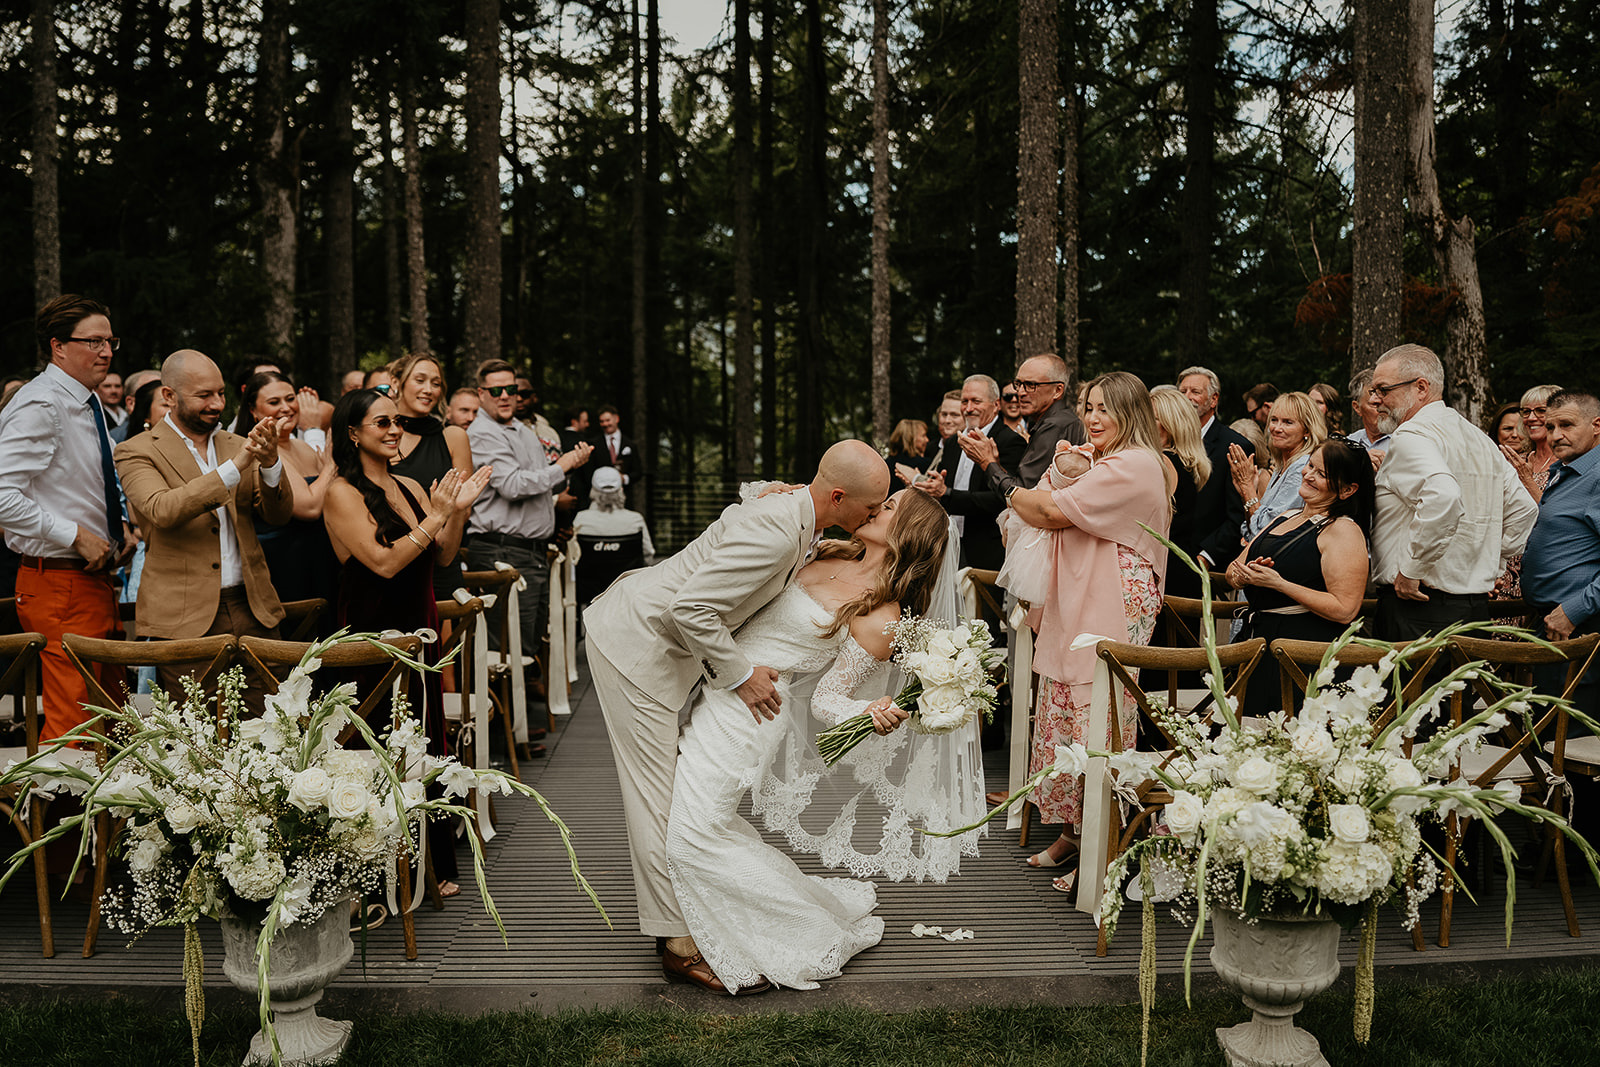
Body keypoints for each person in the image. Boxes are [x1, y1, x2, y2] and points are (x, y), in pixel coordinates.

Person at [583, 439, 889, 994]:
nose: (874, 516)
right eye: (872, 506)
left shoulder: (797, 515)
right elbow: (690, 608)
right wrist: (741, 674)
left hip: (661, 649)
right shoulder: (780, 528)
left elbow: (738, 528)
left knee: (672, 797)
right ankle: (675, 942)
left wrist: (756, 497)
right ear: (839, 496)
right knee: (654, 800)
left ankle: (685, 920)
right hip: (637, 650)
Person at [667, 486, 983, 992]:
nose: (878, 505)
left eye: (891, 506)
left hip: (750, 716)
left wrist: (872, 709)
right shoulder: (825, 551)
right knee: (699, 825)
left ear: (909, 533)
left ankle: (803, 931)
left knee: (692, 836)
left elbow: (827, 699)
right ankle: (684, 926)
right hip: (714, 689)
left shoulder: (881, 615)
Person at [1003, 372, 1173, 892]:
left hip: (1111, 603)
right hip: (1077, 597)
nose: (1093, 419)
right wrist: (1063, 469)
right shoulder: (1100, 461)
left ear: (1132, 414)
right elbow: (1048, 498)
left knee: (1096, 715)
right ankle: (1076, 832)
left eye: (1105, 409)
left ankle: (1106, 844)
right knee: (1064, 709)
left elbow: (1047, 511)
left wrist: (1000, 477)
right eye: (1089, 408)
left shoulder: (1136, 465)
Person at [322, 387, 493, 896]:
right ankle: (375, 877)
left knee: (424, 742)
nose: (394, 429)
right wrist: (437, 517)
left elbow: (441, 558)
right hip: (371, 638)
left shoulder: (414, 486)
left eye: (396, 421)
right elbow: (383, 562)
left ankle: (431, 865)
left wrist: (456, 510)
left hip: (419, 632)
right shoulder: (340, 493)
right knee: (375, 748)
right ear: (353, 434)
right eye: (381, 423)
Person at [114, 350, 294, 703]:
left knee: (273, 724)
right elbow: (162, 509)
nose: (217, 404)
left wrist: (271, 465)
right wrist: (235, 467)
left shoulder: (236, 443)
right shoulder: (134, 451)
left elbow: (278, 515)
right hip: (185, 616)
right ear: (169, 396)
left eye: (221, 393)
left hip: (253, 606)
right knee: (199, 734)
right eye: (204, 395)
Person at [0, 295, 133, 743]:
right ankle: (60, 814)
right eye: (93, 341)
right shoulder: (42, 404)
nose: (106, 351)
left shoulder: (84, 401)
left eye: (110, 340)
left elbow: (83, 482)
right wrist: (74, 534)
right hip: (59, 583)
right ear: (58, 347)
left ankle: (111, 816)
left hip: (94, 578)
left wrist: (121, 530)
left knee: (115, 723)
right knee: (76, 729)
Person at [1370, 344, 1538, 640]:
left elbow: (1443, 496)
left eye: (1383, 390)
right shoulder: (1477, 437)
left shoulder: (1411, 435)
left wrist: (1412, 570)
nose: (1375, 400)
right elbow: (1524, 509)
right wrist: (1488, 565)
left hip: (1417, 609)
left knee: (1416, 689)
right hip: (1472, 610)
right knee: (1461, 688)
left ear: (1420, 387)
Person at [467, 360, 594, 702]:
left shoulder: (523, 431)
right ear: (482, 394)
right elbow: (511, 485)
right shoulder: (481, 433)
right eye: (496, 390)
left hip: (531, 551)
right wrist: (564, 465)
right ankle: (500, 740)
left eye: (512, 389)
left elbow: (538, 487)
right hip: (503, 551)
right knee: (504, 648)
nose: (506, 396)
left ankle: (516, 733)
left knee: (528, 643)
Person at [1226, 438, 1374, 717]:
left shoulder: (1342, 530)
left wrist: (1279, 584)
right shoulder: (1285, 516)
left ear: (1347, 489)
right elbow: (1233, 568)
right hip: (1258, 644)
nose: (1308, 475)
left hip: (1305, 656)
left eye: (1322, 474)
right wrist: (1243, 577)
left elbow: (1345, 609)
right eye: (1309, 466)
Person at [1521, 391, 1600, 715]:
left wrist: (1574, 610)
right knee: (1550, 738)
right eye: (1550, 427)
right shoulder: (1565, 471)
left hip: (1581, 627)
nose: (1555, 435)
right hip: (1553, 623)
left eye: (1566, 425)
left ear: (1597, 425)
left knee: (1572, 747)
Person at [232, 371, 339, 608]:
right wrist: (331, 467)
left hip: (322, 558)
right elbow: (309, 507)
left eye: (290, 399)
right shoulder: (260, 452)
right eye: (274, 402)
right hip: (287, 564)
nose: (286, 408)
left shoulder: (303, 446)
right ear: (253, 410)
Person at [918, 374, 1026, 570]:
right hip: (948, 543)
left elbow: (1002, 498)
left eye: (976, 401)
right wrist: (935, 487)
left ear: (996, 405)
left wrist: (948, 495)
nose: (968, 409)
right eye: (964, 401)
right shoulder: (952, 443)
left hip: (988, 548)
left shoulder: (1010, 442)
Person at [388, 353, 474, 597]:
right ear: (397, 383)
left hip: (441, 560)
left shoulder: (453, 437)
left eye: (435, 384)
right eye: (420, 380)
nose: (428, 390)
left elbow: (463, 507)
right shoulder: (381, 436)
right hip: (391, 558)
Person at [962, 353, 1087, 504]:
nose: (1020, 392)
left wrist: (987, 462)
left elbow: (1022, 496)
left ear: (1058, 390)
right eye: (1019, 384)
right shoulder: (1051, 421)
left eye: (1030, 385)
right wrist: (997, 465)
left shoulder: (1055, 425)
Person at [1178, 366, 1251, 581]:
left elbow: (1237, 515)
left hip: (1207, 563)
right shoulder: (1168, 441)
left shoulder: (1235, 445)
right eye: (1182, 392)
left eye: (1195, 392)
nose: (1187, 398)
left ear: (1213, 399)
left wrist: (1206, 555)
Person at [1229, 390, 1326, 544]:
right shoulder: (1283, 465)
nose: (1277, 428)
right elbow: (1250, 532)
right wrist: (1247, 492)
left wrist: (1247, 486)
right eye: (1274, 420)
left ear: (1307, 430)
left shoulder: (1302, 467)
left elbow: (1266, 532)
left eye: (1288, 422)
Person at [1149, 385, 1211, 597]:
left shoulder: (1162, 463)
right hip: (1182, 572)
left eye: (1151, 418)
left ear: (1171, 425)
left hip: (1165, 578)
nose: (1142, 424)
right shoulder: (1187, 464)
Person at [572, 466, 655, 608]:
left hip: (588, 591)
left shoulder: (581, 520)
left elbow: (573, 557)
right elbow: (648, 554)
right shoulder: (635, 520)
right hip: (626, 590)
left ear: (593, 491)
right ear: (621, 490)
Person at [1501, 384, 1563, 504]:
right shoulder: (1516, 461)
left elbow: (1557, 516)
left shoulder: (1570, 464)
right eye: (1526, 411)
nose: (1531, 418)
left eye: (1541, 411)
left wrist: (1527, 480)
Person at [1345, 369, 1392, 460]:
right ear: (1357, 408)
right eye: (1375, 404)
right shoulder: (1349, 444)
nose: (1382, 409)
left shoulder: (1402, 439)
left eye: (1385, 403)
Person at [885, 418, 930, 485]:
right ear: (912, 438)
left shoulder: (886, 464)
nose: (927, 440)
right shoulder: (925, 464)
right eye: (923, 436)